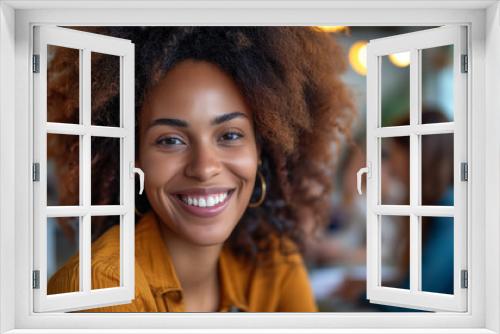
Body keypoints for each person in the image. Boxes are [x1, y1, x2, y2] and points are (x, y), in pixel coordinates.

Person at [47, 27, 355, 312]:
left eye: (230, 135)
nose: (205, 168)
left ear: (260, 150)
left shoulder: (273, 263)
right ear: (134, 158)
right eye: (170, 140)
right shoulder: (101, 288)